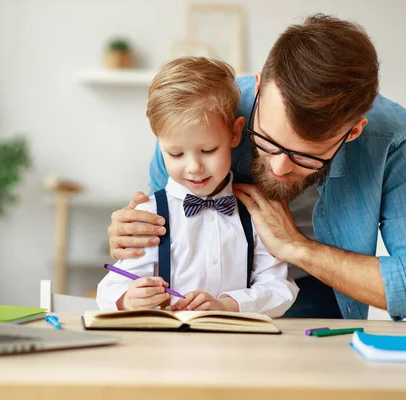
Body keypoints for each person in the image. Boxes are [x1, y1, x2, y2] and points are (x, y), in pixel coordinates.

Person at [106, 14, 406, 323]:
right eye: (267, 140)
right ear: (260, 87)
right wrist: (131, 235)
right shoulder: (198, 121)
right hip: (213, 304)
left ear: (353, 132)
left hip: (326, 296)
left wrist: (296, 247)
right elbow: (161, 236)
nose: (278, 166)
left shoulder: (394, 138)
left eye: (306, 156)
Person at [96, 57, 299, 317]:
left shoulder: (255, 212)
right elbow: (112, 285)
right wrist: (127, 299)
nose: (194, 167)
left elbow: (279, 288)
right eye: (176, 154)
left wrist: (228, 305)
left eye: (208, 150)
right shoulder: (150, 214)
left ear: (235, 133)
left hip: (239, 348)